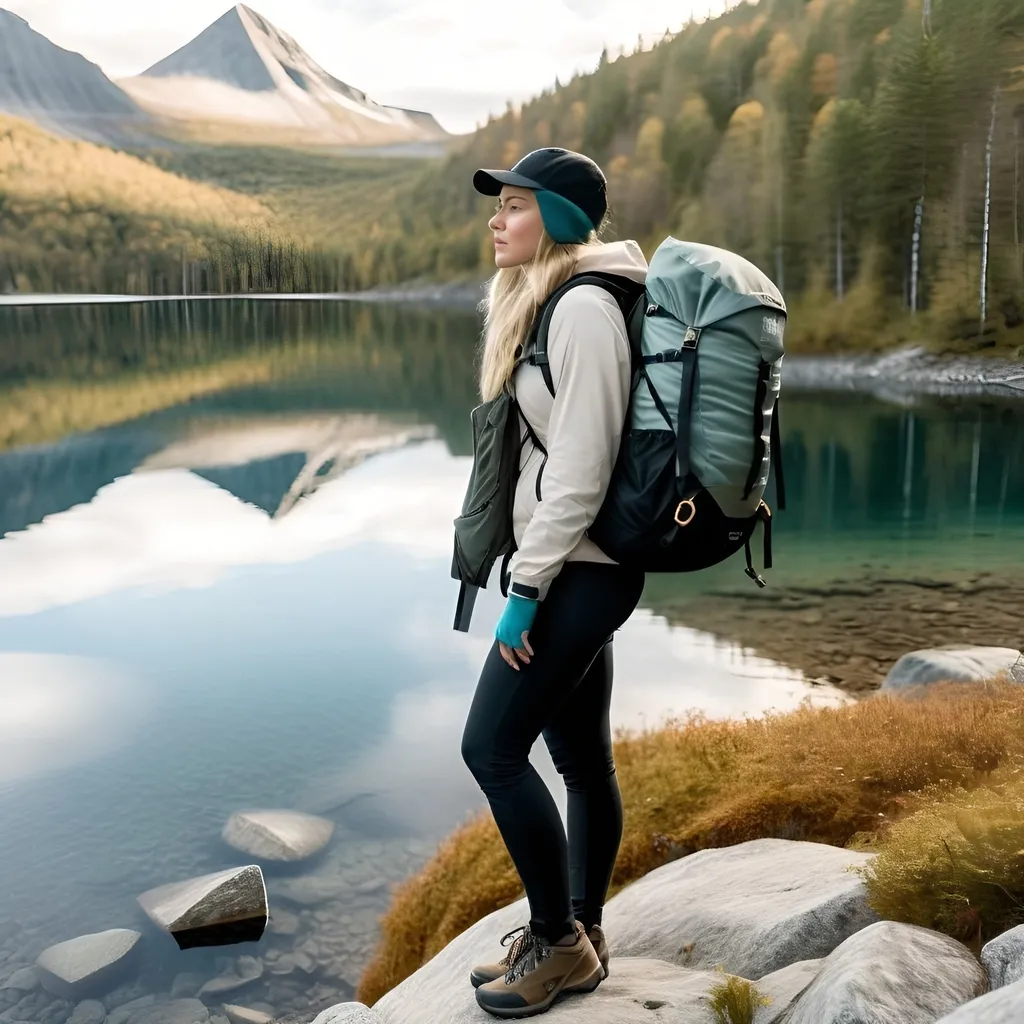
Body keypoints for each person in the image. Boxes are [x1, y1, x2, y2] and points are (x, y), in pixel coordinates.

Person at [459, 147, 648, 1018]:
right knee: (578, 760)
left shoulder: (581, 310)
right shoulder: (556, 300)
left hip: (577, 573)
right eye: (497, 206)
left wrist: (525, 589)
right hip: (577, 567)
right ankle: (584, 929)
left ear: (561, 220)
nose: (497, 218)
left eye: (516, 205)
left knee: (491, 749)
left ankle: (558, 943)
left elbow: (580, 465)